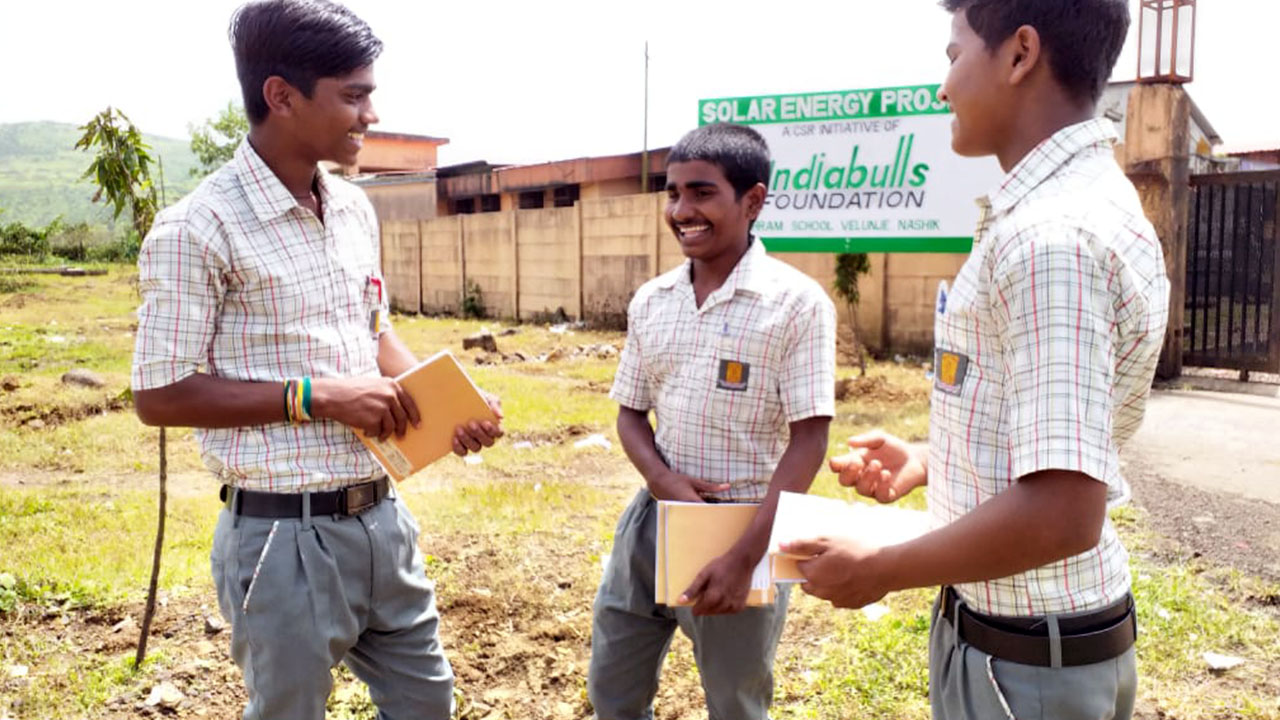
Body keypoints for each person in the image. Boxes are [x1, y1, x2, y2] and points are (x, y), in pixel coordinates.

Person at [783, 1, 1170, 719]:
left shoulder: (1050, 239)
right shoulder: (1073, 208)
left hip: (1024, 669)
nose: (943, 86)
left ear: (1020, 55)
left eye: (954, 55)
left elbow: (1062, 511)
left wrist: (881, 570)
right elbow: (1059, 433)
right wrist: (934, 459)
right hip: (1034, 649)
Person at [130, 1, 502, 717]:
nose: (371, 113)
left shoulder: (354, 208)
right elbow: (161, 394)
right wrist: (318, 396)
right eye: (354, 94)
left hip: (381, 519)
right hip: (280, 540)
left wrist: (451, 400)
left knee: (428, 703)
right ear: (282, 96)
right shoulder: (197, 229)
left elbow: (374, 332)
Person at [588, 123, 836, 720]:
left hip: (742, 529)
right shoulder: (654, 299)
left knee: (735, 702)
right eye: (672, 193)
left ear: (752, 200)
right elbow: (630, 413)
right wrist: (664, 483)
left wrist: (744, 556)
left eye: (701, 192)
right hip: (650, 522)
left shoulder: (796, 305)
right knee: (612, 690)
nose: (681, 211)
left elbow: (809, 441)